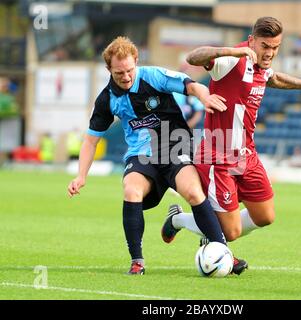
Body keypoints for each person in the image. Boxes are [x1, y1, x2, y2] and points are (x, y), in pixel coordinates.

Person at [161, 17, 301, 273]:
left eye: (275, 47)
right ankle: (178, 220)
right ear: (252, 40)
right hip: (218, 155)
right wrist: (232, 50)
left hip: (247, 155)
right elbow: (193, 57)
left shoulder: (261, 65)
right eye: (265, 46)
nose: (270, 53)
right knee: (231, 232)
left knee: (265, 216)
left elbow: (273, 78)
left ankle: (209, 227)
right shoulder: (231, 61)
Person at [67, 36, 236, 276]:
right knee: (131, 190)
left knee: (193, 192)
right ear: (109, 70)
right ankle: (137, 261)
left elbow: (191, 85)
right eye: (118, 73)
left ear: (136, 60)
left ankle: (224, 253)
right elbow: (91, 140)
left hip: (174, 145)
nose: (125, 77)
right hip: (141, 154)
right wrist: (81, 176)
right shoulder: (107, 99)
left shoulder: (153, 76)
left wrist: (204, 96)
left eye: (128, 70)